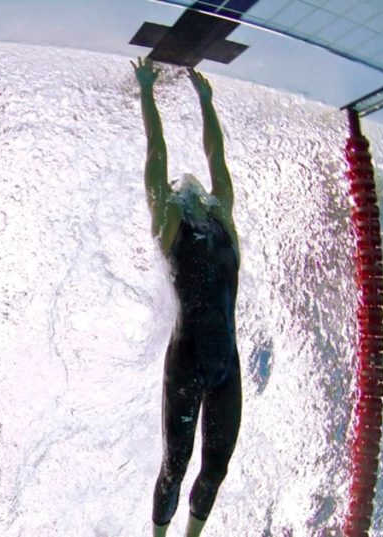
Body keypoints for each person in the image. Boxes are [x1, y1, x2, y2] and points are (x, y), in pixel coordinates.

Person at [132, 57, 242, 537]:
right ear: (173, 194)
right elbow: (156, 152)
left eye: (190, 180)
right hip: (187, 361)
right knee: (175, 466)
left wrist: (206, 101)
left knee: (216, 466)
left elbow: (217, 154)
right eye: (178, 183)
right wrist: (147, 92)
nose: (187, 179)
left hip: (227, 366)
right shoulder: (169, 221)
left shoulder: (223, 215)